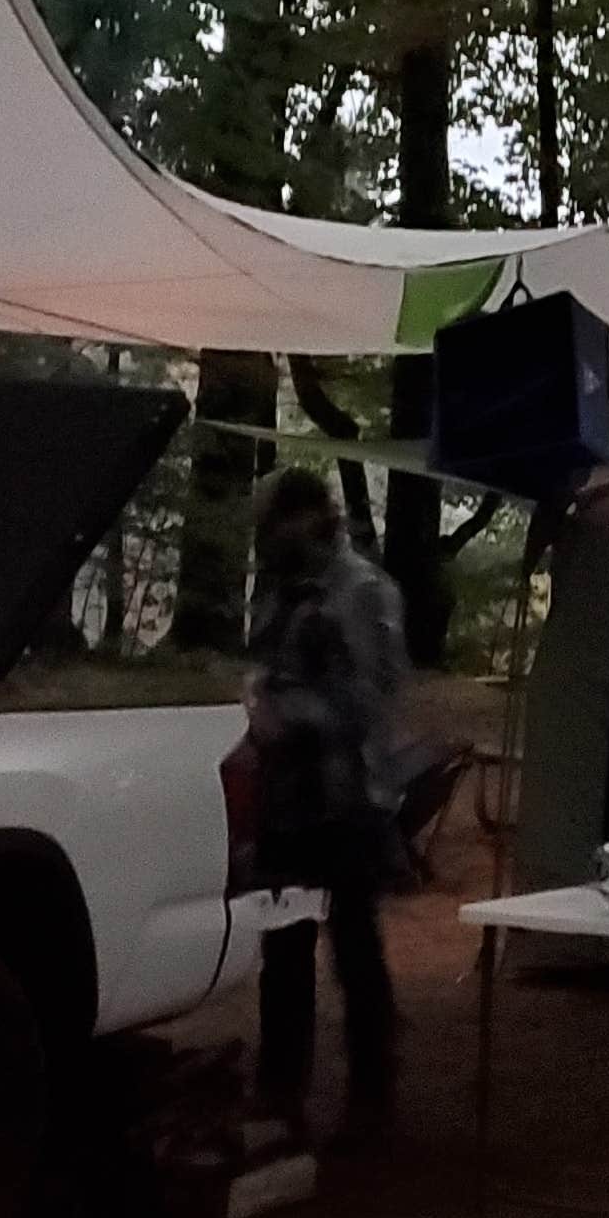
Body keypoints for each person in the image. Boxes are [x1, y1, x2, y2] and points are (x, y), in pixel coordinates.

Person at [238, 468, 410, 1139]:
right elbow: (265, 666)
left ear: (311, 516)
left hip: (347, 800)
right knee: (282, 949)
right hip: (284, 798)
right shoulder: (282, 589)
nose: (270, 539)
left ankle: (373, 1100)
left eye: (278, 523)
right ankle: (280, 1093)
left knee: (356, 951)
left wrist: (295, 716)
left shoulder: (363, 591)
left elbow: (373, 696)